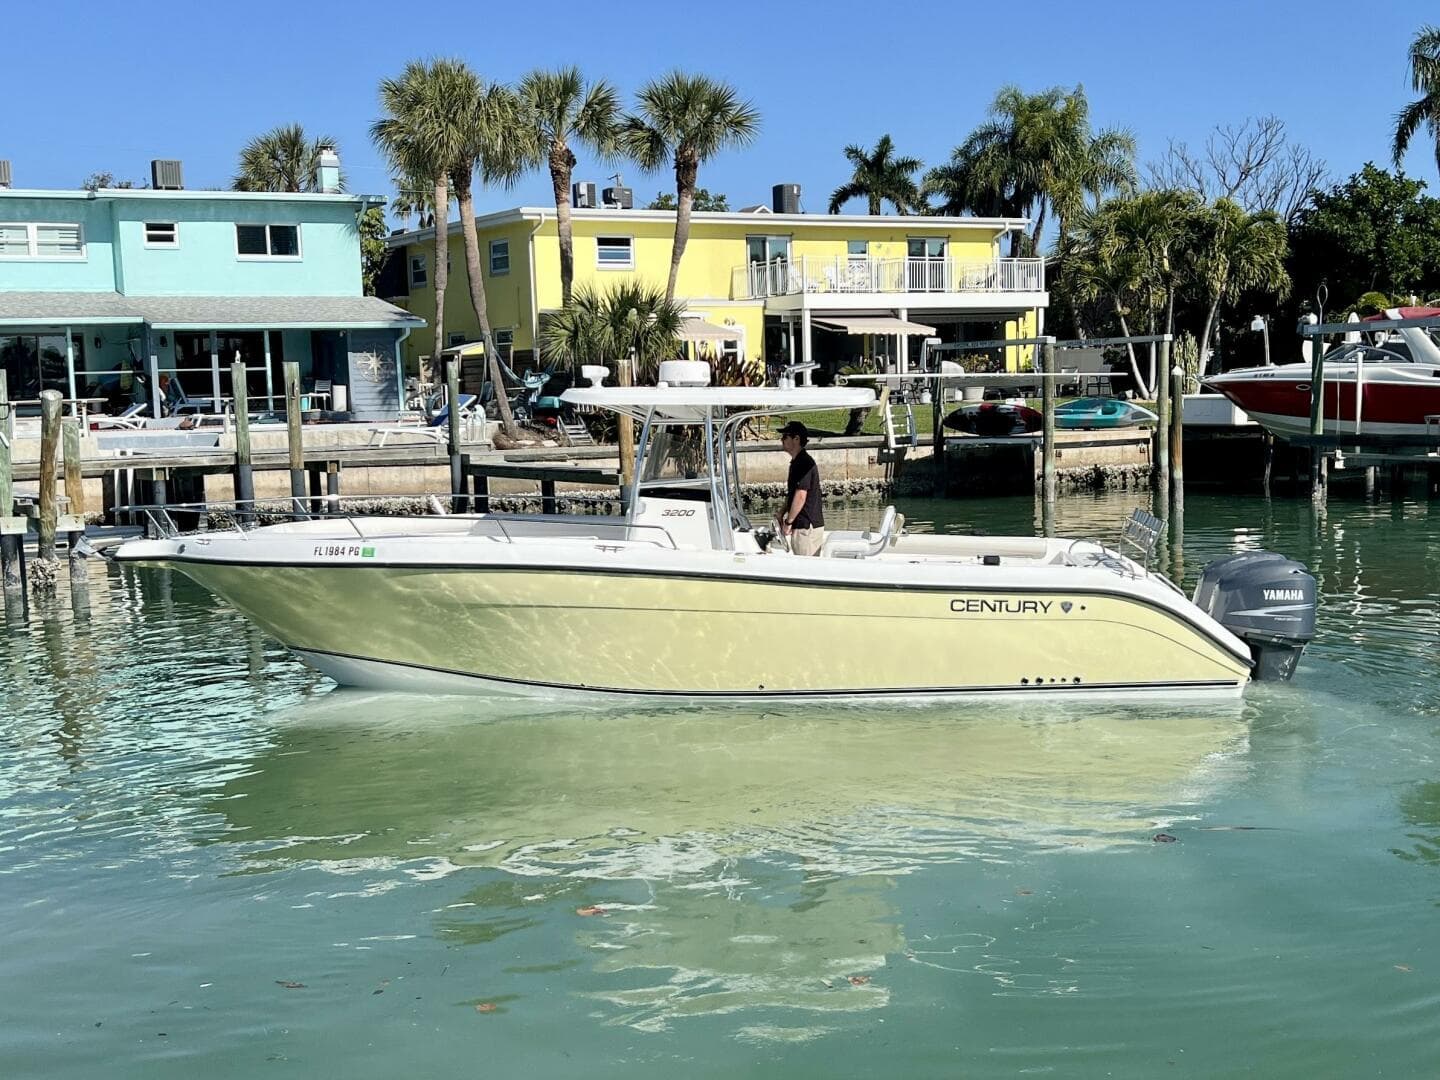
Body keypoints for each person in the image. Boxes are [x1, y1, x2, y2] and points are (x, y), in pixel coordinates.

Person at [777, 420, 825, 556]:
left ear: (796, 439)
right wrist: (781, 512)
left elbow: (800, 496)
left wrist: (788, 522)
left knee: (807, 566)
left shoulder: (803, 463)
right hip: (803, 526)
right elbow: (793, 494)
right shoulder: (797, 462)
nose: (781, 440)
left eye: (785, 436)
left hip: (806, 527)